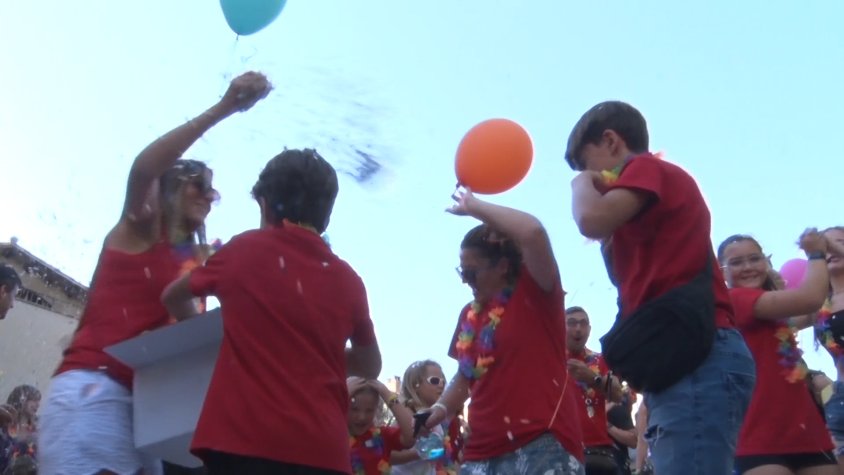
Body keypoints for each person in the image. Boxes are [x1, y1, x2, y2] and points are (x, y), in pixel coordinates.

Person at [37, 71, 271, 475]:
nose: (208, 197)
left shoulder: (200, 257)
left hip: (152, 414)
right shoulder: (140, 227)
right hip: (94, 392)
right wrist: (225, 107)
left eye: (213, 191)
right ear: (171, 187)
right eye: (198, 184)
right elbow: (143, 170)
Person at [162, 148, 382, 474]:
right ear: (327, 214)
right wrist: (318, 352)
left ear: (265, 204)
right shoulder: (348, 280)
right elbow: (370, 364)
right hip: (322, 452)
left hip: (241, 444)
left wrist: (213, 336)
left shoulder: (244, 250)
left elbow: (172, 297)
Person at [566, 100, 755, 474]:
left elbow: (590, 219)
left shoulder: (649, 168)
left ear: (611, 141)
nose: (591, 176)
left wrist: (580, 183)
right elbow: (624, 276)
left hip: (699, 355)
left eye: (589, 164)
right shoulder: (645, 202)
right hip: (681, 355)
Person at [424, 189, 584, 475]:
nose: (466, 281)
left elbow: (533, 232)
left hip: (541, 442)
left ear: (503, 265)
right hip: (480, 451)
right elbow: (465, 376)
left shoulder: (536, 291)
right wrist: (437, 410)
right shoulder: (469, 314)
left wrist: (473, 206)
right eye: (462, 273)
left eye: (472, 272)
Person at [719, 232, 837, 475]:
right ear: (722, 272)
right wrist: (816, 254)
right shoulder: (736, 299)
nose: (748, 267)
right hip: (759, 433)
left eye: (755, 259)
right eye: (737, 262)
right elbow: (810, 299)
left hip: (806, 430)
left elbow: (810, 312)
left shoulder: (775, 316)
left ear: (766, 261)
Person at [564, 307, 622, 475]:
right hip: (562, 450)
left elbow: (618, 395)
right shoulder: (552, 361)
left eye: (583, 324)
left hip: (599, 452)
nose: (578, 329)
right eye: (572, 323)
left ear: (589, 330)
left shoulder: (599, 360)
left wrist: (593, 378)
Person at [391, 360, 462, 475]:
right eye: (434, 380)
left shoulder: (436, 419)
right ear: (416, 385)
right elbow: (388, 454)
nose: (441, 385)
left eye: (443, 381)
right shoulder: (406, 414)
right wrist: (418, 453)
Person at [814, 226, 844, 471]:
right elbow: (783, 324)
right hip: (839, 397)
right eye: (826, 247)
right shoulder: (819, 304)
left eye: (839, 243)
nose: (832, 250)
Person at [348, 377, 414, 474]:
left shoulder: (381, 436)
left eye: (369, 410)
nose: (362, 417)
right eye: (354, 409)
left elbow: (411, 435)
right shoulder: (334, 435)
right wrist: (343, 394)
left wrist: (387, 395)